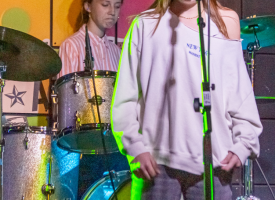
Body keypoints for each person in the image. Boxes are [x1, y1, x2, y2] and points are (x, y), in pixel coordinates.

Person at [111, 0, 263, 199]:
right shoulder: (145, 25)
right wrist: (135, 148)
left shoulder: (225, 24)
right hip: (156, 163)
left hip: (214, 164)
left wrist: (244, 142)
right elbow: (124, 99)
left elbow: (239, 95)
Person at [58, 0, 129, 199]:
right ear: (88, 6)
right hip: (84, 147)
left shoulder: (116, 51)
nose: (112, 12)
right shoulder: (72, 46)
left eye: (116, 6)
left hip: (114, 142)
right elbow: (68, 104)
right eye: (105, 4)